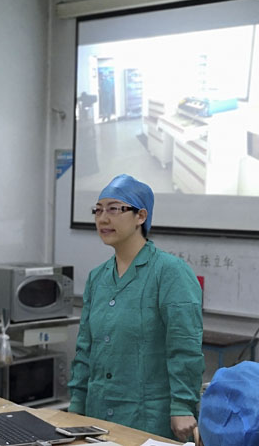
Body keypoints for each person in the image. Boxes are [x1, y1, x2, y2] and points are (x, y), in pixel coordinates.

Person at [68, 174, 204, 442]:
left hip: (149, 418)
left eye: (114, 209)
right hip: (97, 415)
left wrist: (182, 406)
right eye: (98, 210)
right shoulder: (98, 277)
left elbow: (185, 346)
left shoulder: (170, 272)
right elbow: (85, 348)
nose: (102, 219)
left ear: (141, 216)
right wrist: (76, 404)